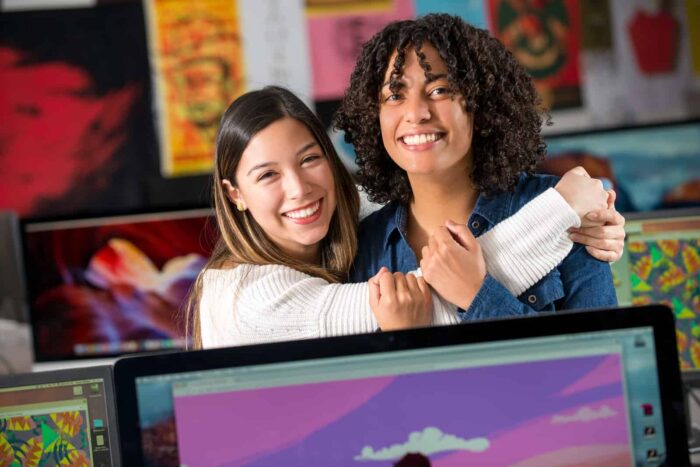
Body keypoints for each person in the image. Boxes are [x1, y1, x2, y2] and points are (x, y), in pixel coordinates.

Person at [187, 86, 616, 349]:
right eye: (267, 175)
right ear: (234, 194)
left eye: (309, 159)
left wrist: (604, 222)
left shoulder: (353, 218)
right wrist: (563, 209)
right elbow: (438, 286)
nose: (299, 189)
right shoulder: (250, 300)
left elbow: (407, 207)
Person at [334, 14, 622, 318]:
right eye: (394, 95)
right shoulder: (363, 246)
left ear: (480, 105)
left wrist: (478, 295)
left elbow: (600, 363)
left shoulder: (561, 210)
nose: (416, 113)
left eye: (439, 90)